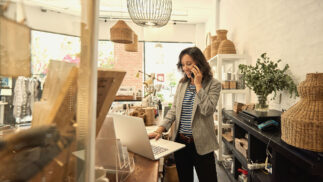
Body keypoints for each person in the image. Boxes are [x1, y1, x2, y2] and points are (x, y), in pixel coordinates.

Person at [148, 47, 221, 182]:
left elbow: (207, 110)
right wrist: (160, 129)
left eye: (189, 64)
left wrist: (198, 85)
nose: (185, 68)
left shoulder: (214, 84)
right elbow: (174, 110)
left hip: (202, 145)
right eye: (183, 65)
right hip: (181, 144)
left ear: (199, 63)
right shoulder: (182, 84)